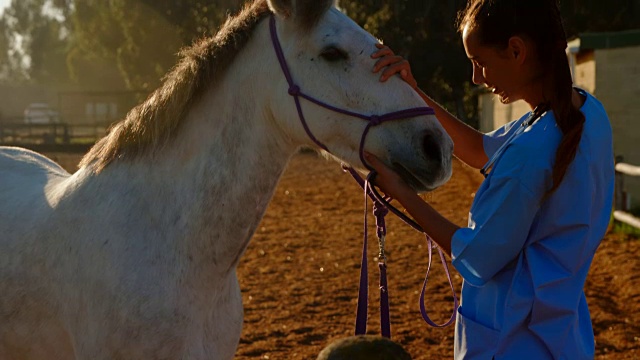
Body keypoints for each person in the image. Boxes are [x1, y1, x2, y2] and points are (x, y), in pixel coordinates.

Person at [364, 0, 615, 359]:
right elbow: (481, 149)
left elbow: (478, 255)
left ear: (516, 50)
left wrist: (402, 191)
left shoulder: (534, 149)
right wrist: (412, 93)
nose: (476, 78)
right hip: (562, 337)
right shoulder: (587, 113)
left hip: (514, 341)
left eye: (479, 61)